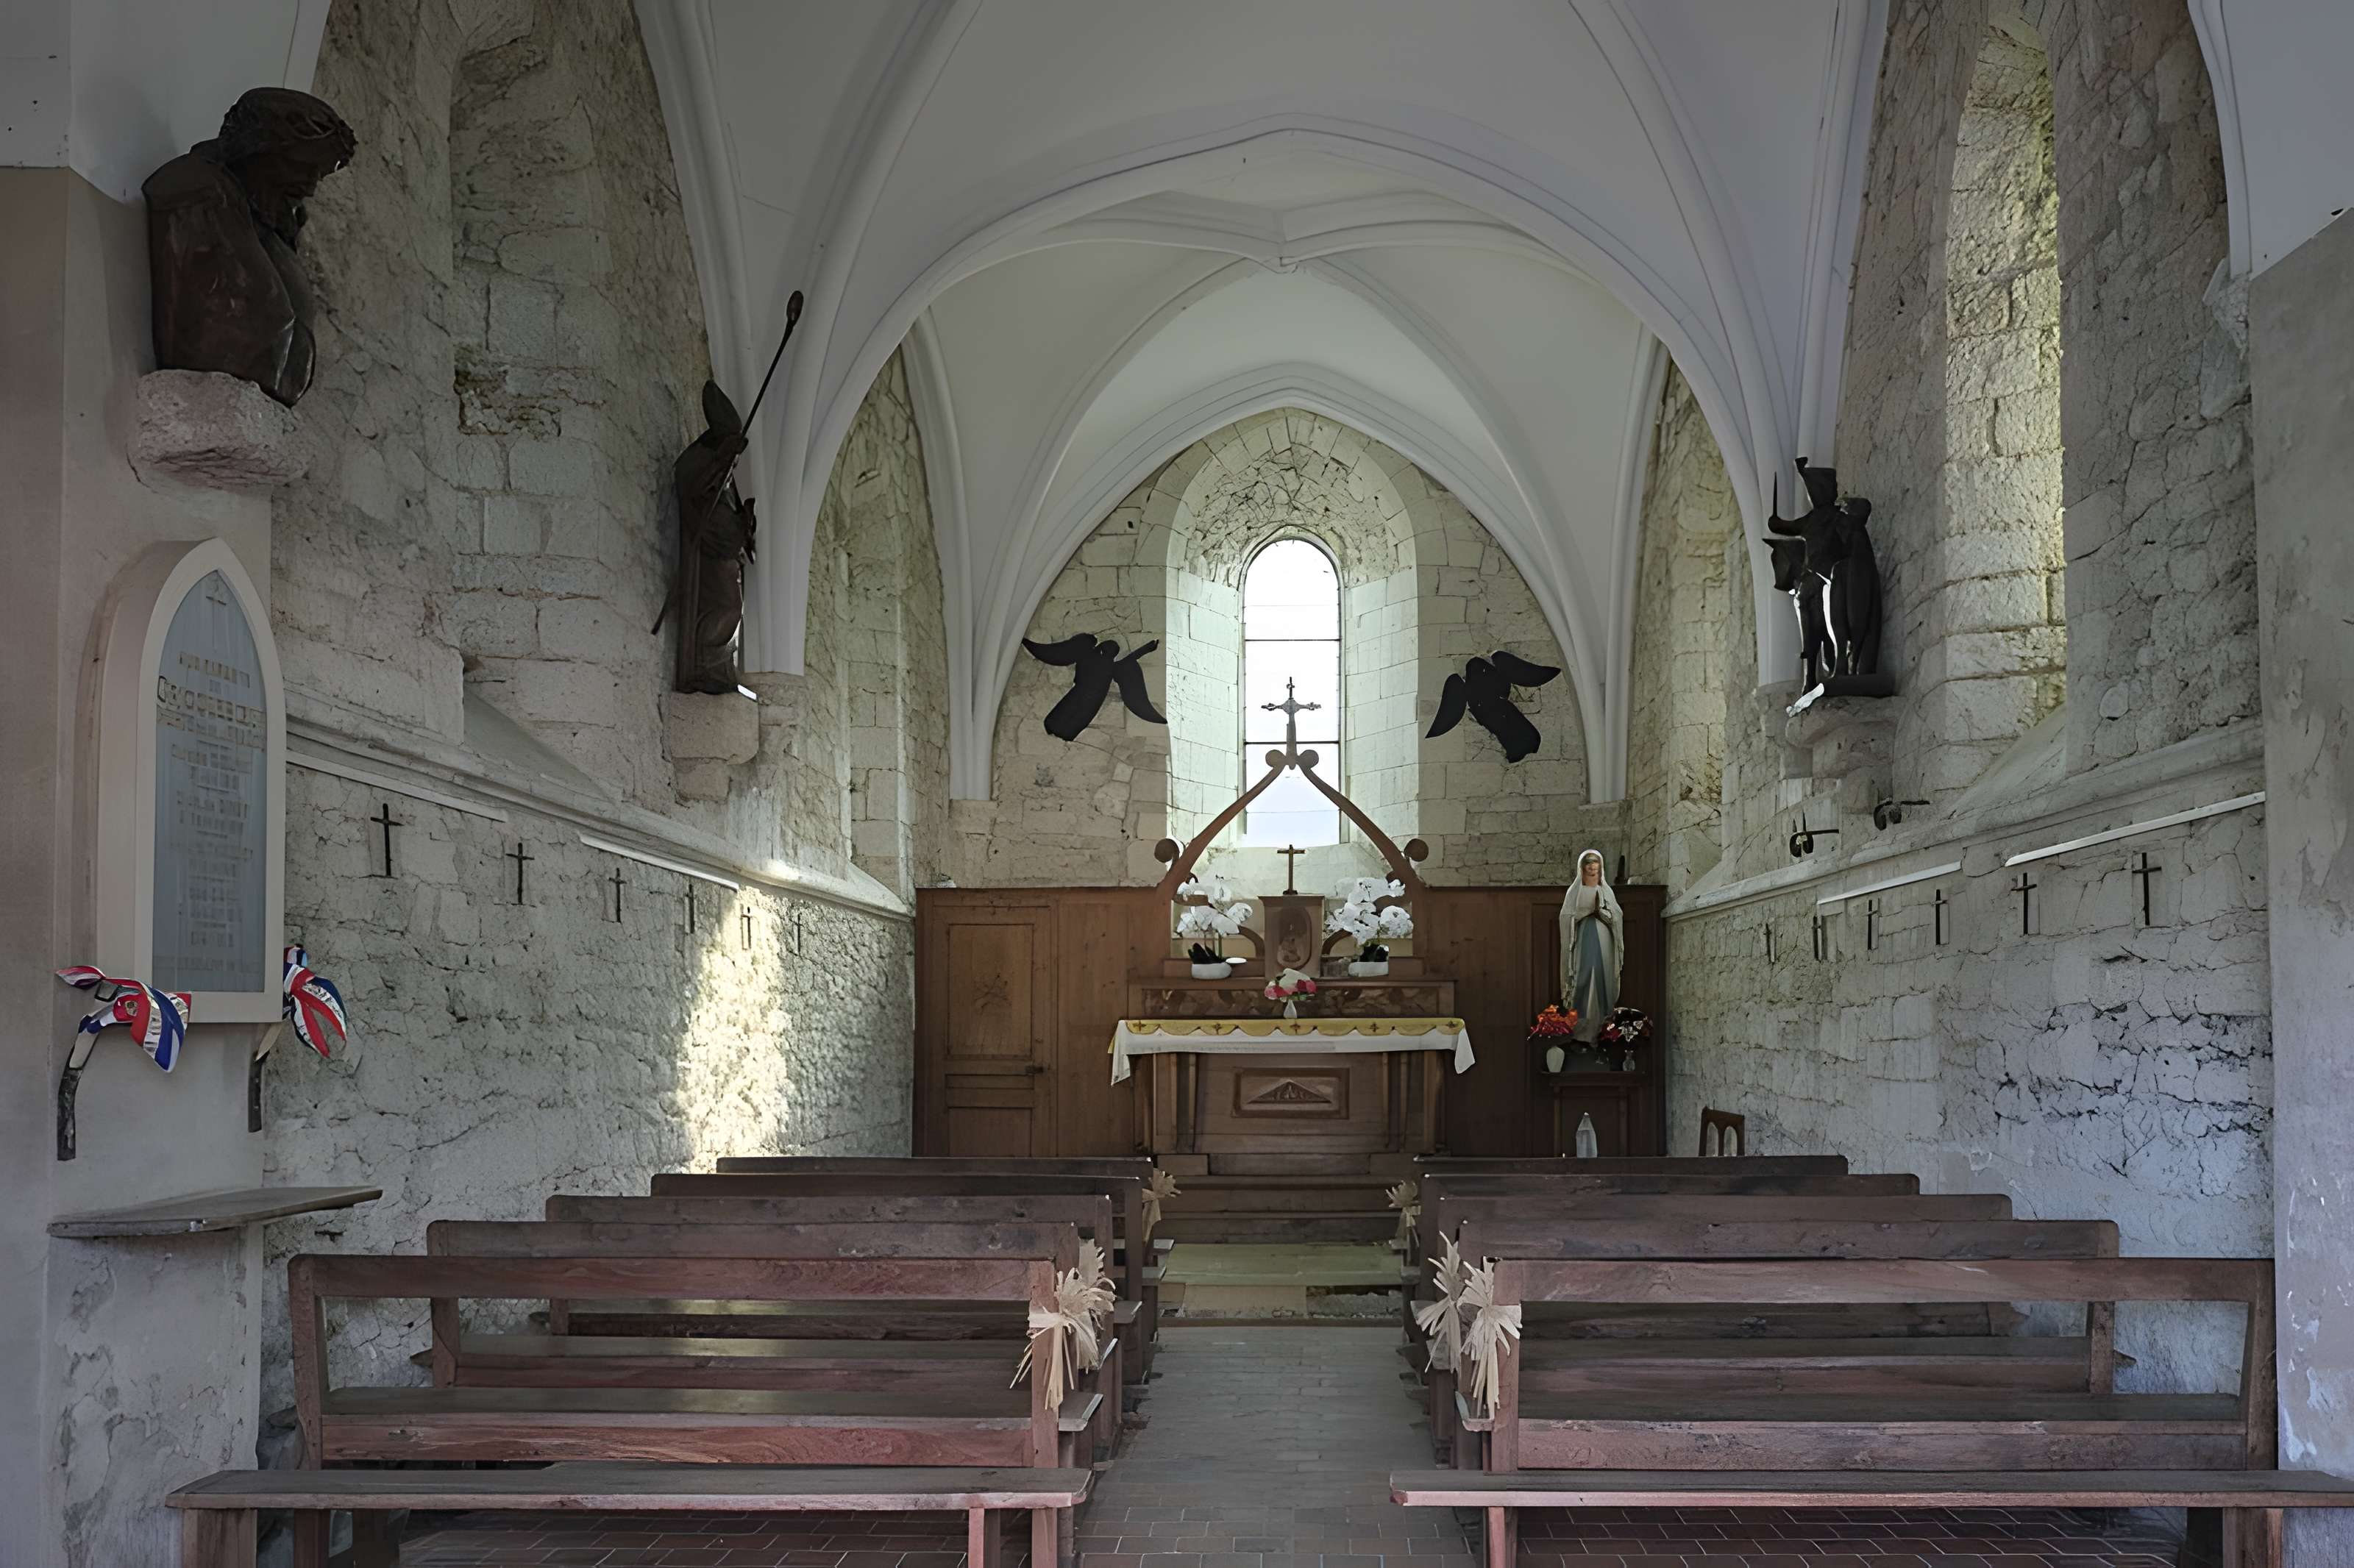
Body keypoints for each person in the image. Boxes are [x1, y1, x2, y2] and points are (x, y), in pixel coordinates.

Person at [143, 88, 356, 406]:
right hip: (203, 400)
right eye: (302, 167)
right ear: (259, 149)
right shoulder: (196, 192)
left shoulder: (275, 224)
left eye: (319, 175)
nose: (311, 188)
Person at [1559, 849, 1622, 1043]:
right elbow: (1566, 917)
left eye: (1596, 863)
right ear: (1582, 868)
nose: (1592, 867)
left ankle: (1601, 1028)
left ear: (1601, 868)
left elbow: (1617, 917)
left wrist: (1603, 914)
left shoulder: (1606, 891)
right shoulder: (1575, 891)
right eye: (1588, 863)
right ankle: (1581, 1031)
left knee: (1602, 978)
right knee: (1582, 977)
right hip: (1583, 938)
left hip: (1604, 939)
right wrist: (1582, 913)